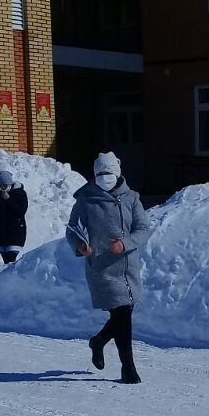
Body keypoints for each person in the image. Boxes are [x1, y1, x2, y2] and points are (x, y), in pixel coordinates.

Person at [65, 151, 151, 384]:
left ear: (118, 173)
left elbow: (143, 229)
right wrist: (80, 246)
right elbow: (72, 228)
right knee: (122, 313)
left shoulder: (132, 198)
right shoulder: (85, 199)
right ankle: (128, 368)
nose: (105, 177)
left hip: (127, 266)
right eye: (101, 173)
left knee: (125, 313)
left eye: (109, 172)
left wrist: (125, 243)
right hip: (101, 266)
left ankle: (99, 341)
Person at [0, 168, 28, 264]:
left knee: (11, 259)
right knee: (6, 260)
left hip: (15, 232)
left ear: (10, 183)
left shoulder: (20, 193)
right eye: (1, 185)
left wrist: (8, 199)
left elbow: (21, 212)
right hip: (2, 233)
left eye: (5, 185)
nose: (3, 188)